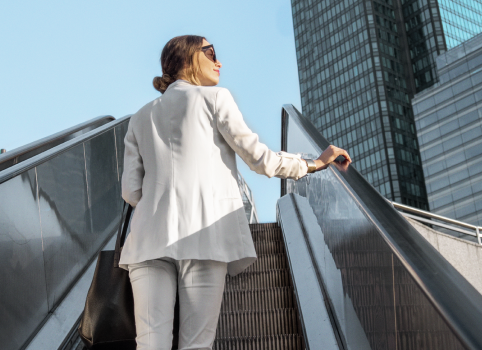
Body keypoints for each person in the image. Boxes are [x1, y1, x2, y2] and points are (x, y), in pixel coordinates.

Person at [119, 35, 349, 350]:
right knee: (196, 344)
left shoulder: (140, 118)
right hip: (204, 236)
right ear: (187, 59)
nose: (219, 61)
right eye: (210, 52)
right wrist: (312, 164)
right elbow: (260, 160)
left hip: (146, 243)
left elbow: (131, 191)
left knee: (150, 344)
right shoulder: (216, 98)